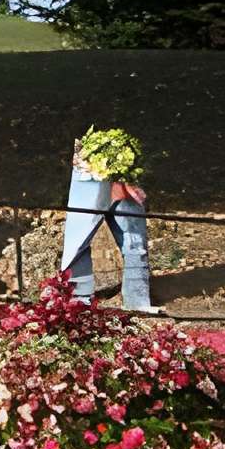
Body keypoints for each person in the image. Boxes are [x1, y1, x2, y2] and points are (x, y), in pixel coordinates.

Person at [62, 128, 156, 313]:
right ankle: (80, 301)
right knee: (78, 240)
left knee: (134, 241)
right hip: (87, 168)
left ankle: (137, 303)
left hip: (118, 162)